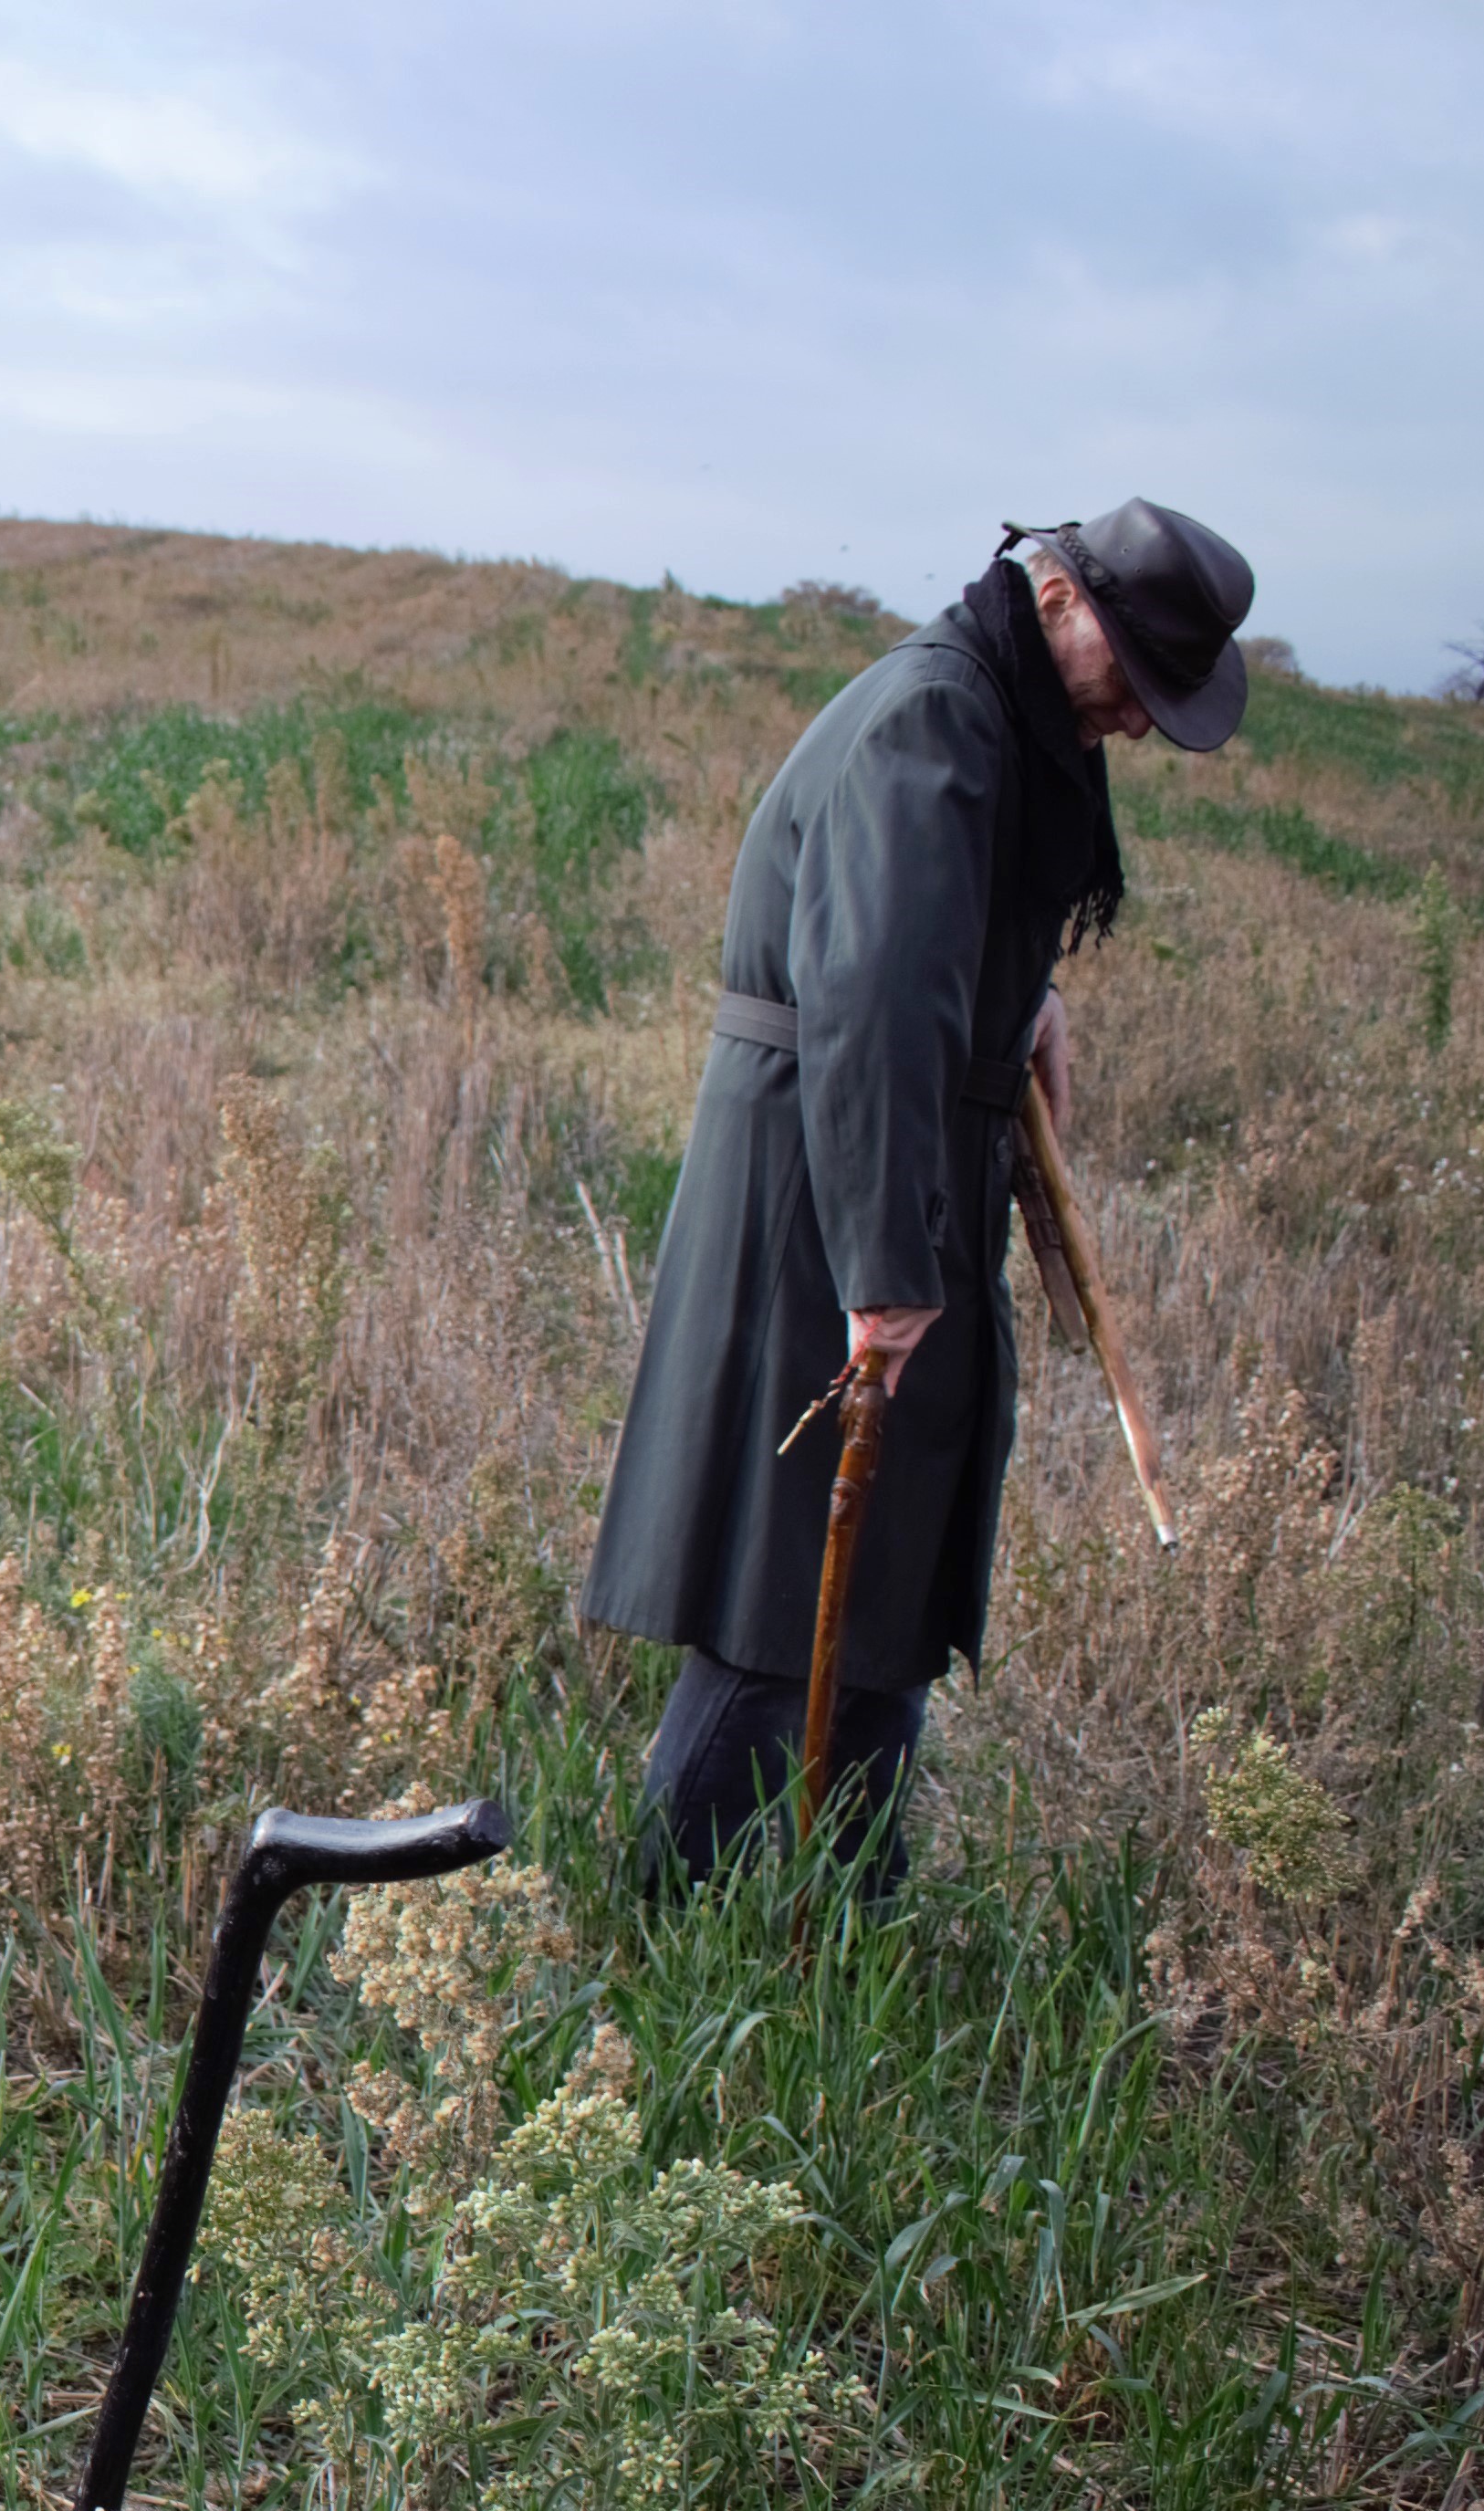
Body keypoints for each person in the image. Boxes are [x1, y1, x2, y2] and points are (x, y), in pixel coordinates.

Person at [580, 499, 1255, 1897]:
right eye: (1135, 673)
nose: (1139, 718)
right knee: (786, 1577)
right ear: (1058, 593)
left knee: (889, 1554)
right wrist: (885, 1265)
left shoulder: (1006, 711)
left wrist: (1030, 998)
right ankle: (661, 1913)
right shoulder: (937, 716)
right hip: (824, 1188)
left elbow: (945, 922)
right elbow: (877, 1005)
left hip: (892, 1162)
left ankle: (849, 1889)